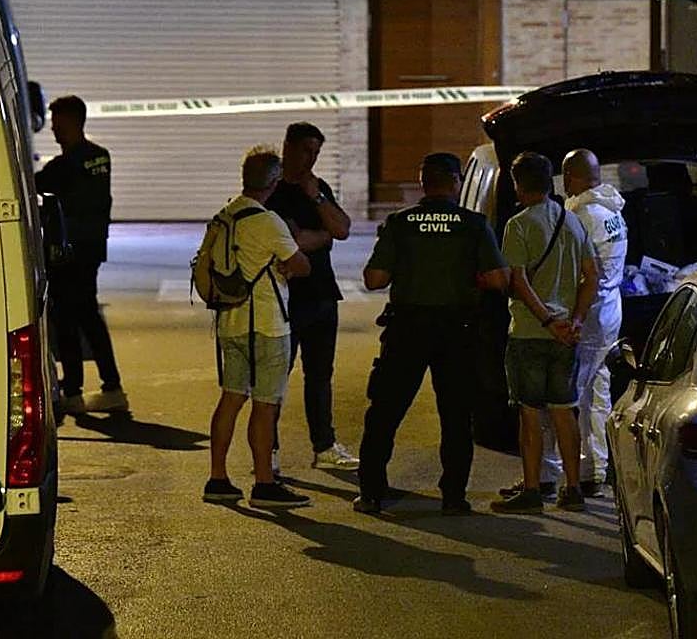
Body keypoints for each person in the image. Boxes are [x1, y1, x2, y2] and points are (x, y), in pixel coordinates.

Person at [353, 153, 509, 515]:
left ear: (423, 182)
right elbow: (500, 279)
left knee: (385, 412)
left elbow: (374, 279)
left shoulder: (400, 222)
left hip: (407, 329)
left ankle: (372, 492)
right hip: (457, 330)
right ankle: (454, 496)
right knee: (456, 415)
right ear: (456, 182)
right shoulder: (473, 224)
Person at [203, 147, 314, 509]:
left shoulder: (223, 216)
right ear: (275, 181)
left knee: (231, 398)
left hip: (229, 323)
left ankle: (217, 478)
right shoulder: (268, 221)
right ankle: (265, 483)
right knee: (266, 406)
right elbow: (300, 265)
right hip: (267, 324)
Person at [490, 152, 597, 514]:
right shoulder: (572, 221)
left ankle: (533, 488)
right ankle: (572, 488)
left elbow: (517, 280)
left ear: (518, 185)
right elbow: (592, 276)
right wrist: (576, 321)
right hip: (567, 335)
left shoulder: (518, 225)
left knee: (531, 413)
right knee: (566, 412)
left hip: (529, 333)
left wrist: (547, 321)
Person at [266, 122, 358, 472]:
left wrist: (316, 198)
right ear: (287, 147)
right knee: (276, 379)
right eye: (307, 150)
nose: (312, 158)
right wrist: (316, 236)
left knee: (320, 376)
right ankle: (269, 451)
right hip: (285, 299)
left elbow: (341, 230)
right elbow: (289, 242)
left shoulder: (317, 188)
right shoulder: (271, 190)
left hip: (322, 295)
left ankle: (324, 446)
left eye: (317, 152)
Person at [35, 95, 126, 415]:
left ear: (73, 122)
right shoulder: (101, 158)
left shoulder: (63, 166)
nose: (54, 131)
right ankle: (109, 385)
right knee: (87, 314)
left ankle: (75, 390)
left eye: (58, 124)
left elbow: (36, 184)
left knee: (67, 318)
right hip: (91, 248)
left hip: (67, 251)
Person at [563, 149, 627, 497]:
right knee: (598, 390)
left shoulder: (583, 216)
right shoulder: (612, 210)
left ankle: (577, 472)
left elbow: (578, 272)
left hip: (590, 311)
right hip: (610, 307)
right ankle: (599, 466)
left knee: (574, 393)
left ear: (572, 178)